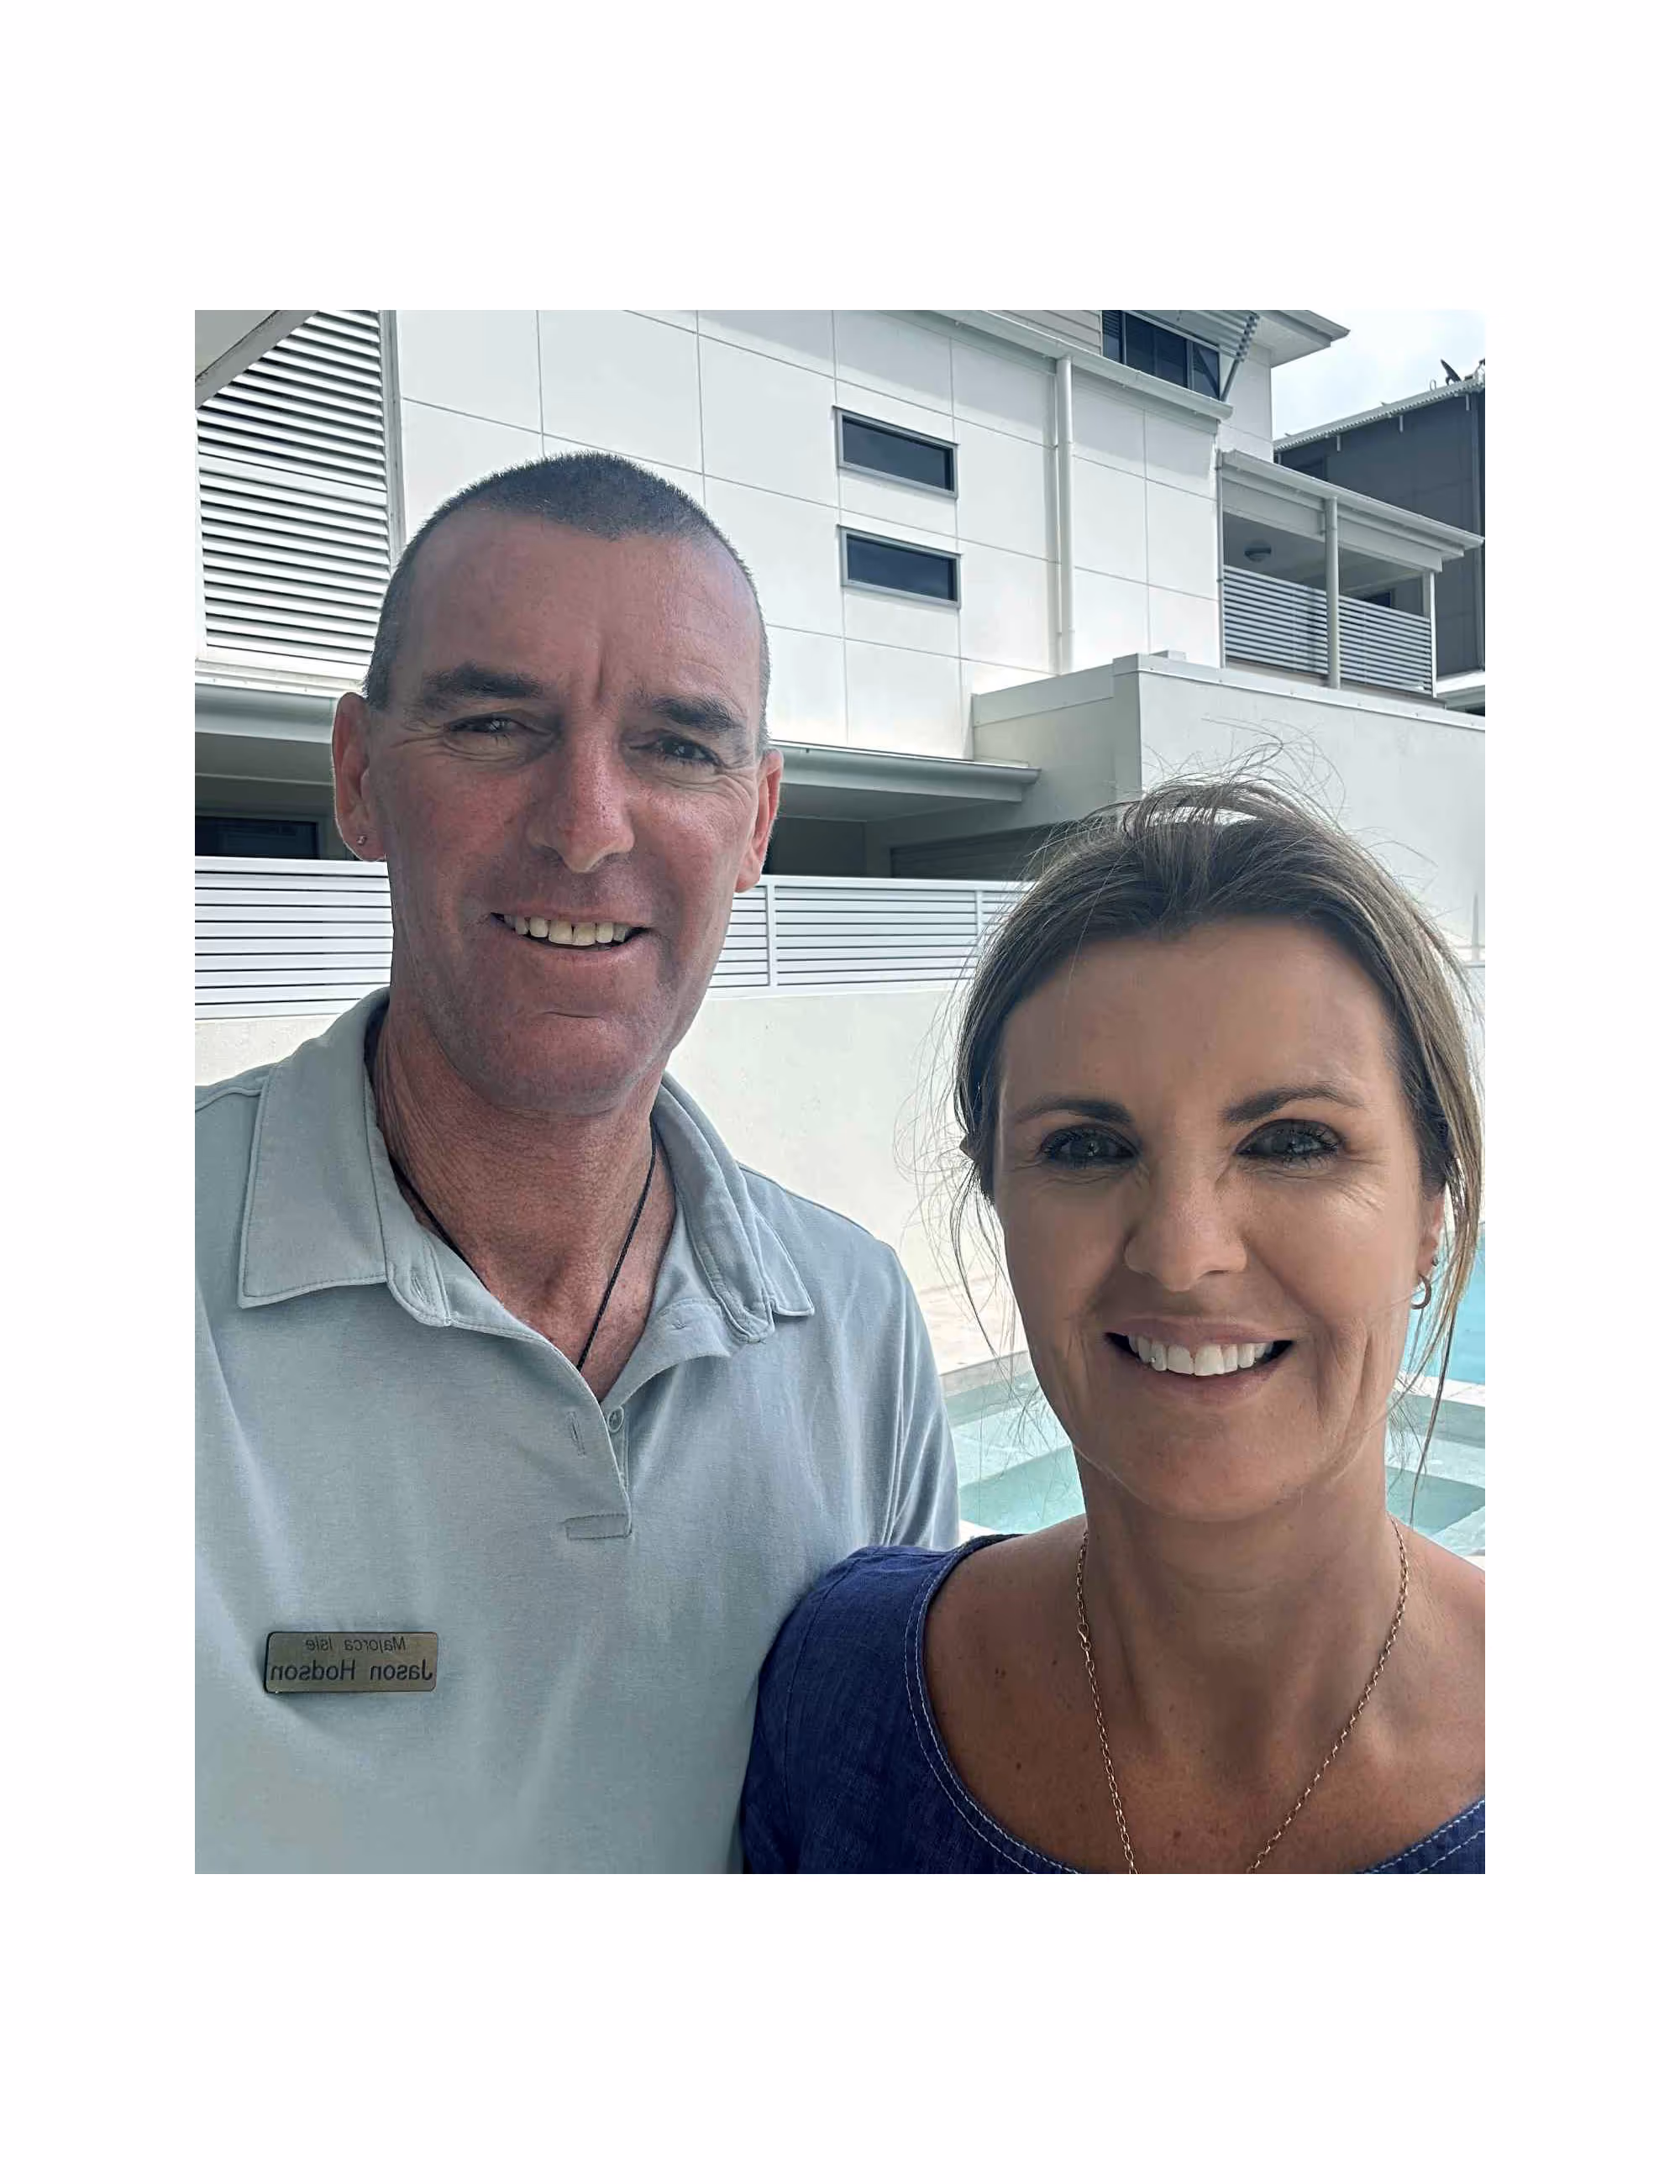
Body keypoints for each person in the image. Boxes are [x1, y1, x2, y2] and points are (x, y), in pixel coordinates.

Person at [197, 453, 958, 1872]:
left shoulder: (859, 1331)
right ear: (361, 780)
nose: (587, 825)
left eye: (678, 747)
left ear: (757, 823)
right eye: (496, 724)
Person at [743, 777, 1484, 1872]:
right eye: (1088, 1148)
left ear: (1431, 1212)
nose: (1183, 1253)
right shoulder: (836, 1684)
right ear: (998, 1202)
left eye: (1291, 1142)